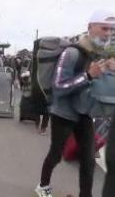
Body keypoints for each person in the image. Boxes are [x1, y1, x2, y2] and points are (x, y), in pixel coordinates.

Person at [35, 10, 115, 197]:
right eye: (104, 28)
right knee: (56, 154)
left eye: (111, 30)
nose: (108, 34)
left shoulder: (98, 54)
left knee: (87, 160)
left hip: (84, 112)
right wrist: (88, 75)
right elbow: (58, 87)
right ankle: (43, 185)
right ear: (90, 28)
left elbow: (98, 85)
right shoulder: (71, 53)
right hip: (63, 113)